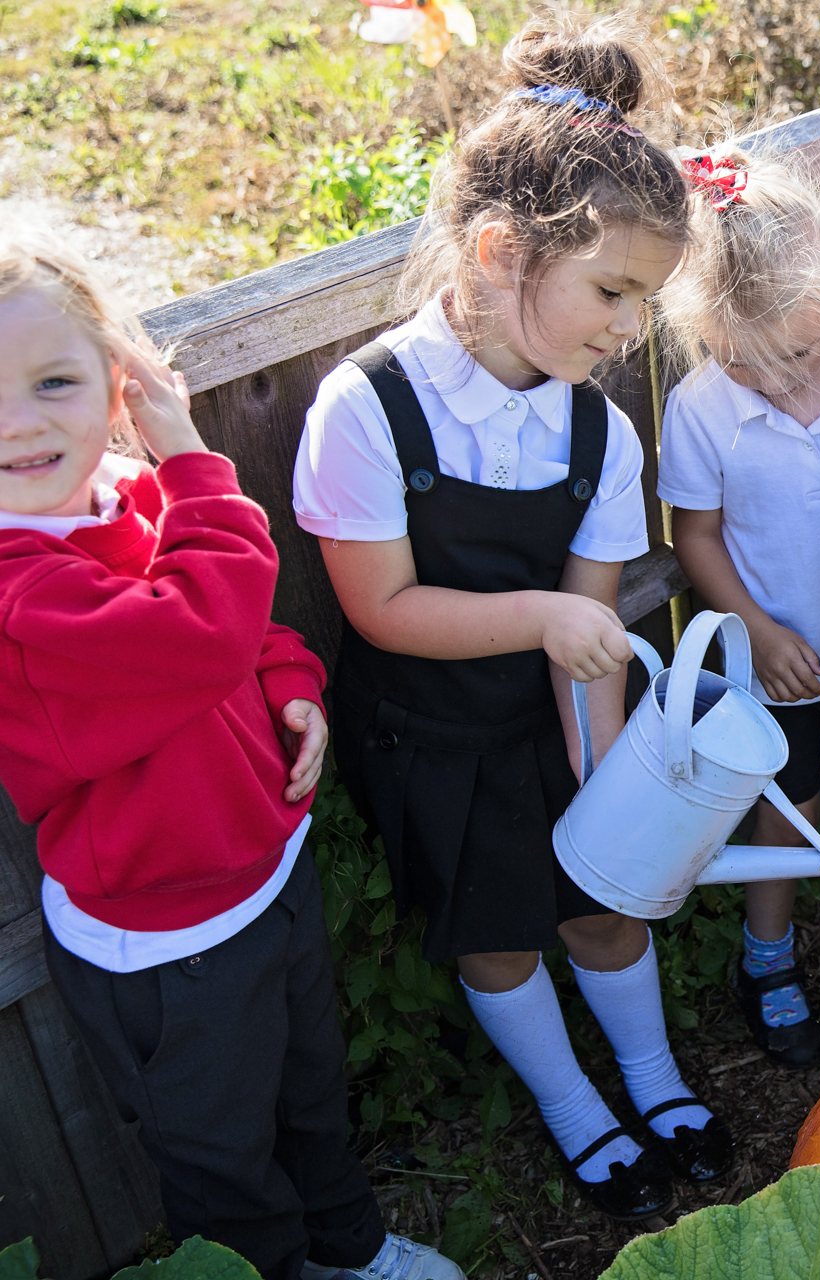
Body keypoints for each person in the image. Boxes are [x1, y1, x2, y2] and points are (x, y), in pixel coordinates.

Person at [294, 9, 726, 1222]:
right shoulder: (368, 406)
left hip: (555, 710)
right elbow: (380, 609)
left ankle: (647, 1070)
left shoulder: (599, 426)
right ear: (496, 249)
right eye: (612, 290)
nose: (632, 330)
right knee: (496, 931)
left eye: (645, 300)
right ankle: (570, 1102)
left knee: (599, 899)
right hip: (431, 726)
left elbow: (588, 629)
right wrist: (542, 618)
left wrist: (599, 779)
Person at [0, 234, 461, 1280]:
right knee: (220, 1159)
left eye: (54, 381)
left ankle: (346, 1245)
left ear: (116, 384)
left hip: (265, 878)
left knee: (309, 1090)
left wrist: (291, 688)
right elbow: (198, 627)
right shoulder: (20, 594)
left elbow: (245, 631)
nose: (20, 423)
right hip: (164, 951)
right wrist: (192, 456)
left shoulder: (125, 499)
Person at [653, 144, 820, 1065]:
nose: (771, 380)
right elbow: (695, 536)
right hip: (780, 663)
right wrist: (758, 630)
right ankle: (766, 959)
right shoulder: (700, 409)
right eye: (742, 363)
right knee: (787, 808)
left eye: (796, 355)